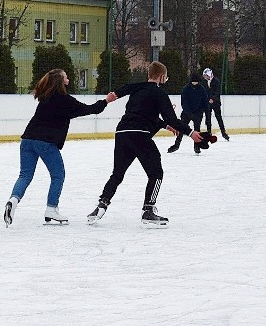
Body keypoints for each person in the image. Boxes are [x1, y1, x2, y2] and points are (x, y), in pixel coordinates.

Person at [87, 61, 203, 226]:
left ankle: (101, 205)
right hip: (140, 135)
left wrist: (111, 98)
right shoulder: (159, 93)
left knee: (117, 174)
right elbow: (171, 118)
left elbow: (137, 104)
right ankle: (148, 210)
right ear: (162, 77)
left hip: (122, 132)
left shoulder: (137, 88)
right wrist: (191, 133)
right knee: (156, 173)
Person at [3, 69, 118, 227]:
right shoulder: (64, 100)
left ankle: (13, 200)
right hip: (45, 143)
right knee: (58, 175)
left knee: (25, 176)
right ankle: (51, 208)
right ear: (60, 81)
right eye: (66, 77)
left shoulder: (45, 97)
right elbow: (90, 109)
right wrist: (107, 100)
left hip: (27, 140)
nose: (68, 79)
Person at [167, 72, 209, 155]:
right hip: (186, 113)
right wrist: (189, 113)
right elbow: (184, 103)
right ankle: (176, 145)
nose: (194, 84)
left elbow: (205, 102)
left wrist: (202, 111)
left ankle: (197, 146)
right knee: (182, 129)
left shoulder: (202, 89)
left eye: (196, 82)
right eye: (193, 82)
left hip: (198, 113)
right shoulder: (185, 89)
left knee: (197, 130)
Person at [201, 68, 230, 141]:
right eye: (204, 76)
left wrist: (212, 99)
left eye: (206, 75)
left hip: (216, 103)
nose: (205, 77)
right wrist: (206, 99)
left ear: (209, 75)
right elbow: (203, 92)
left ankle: (223, 133)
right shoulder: (204, 82)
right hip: (207, 103)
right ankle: (209, 132)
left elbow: (217, 92)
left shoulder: (216, 81)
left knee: (219, 118)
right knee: (208, 118)